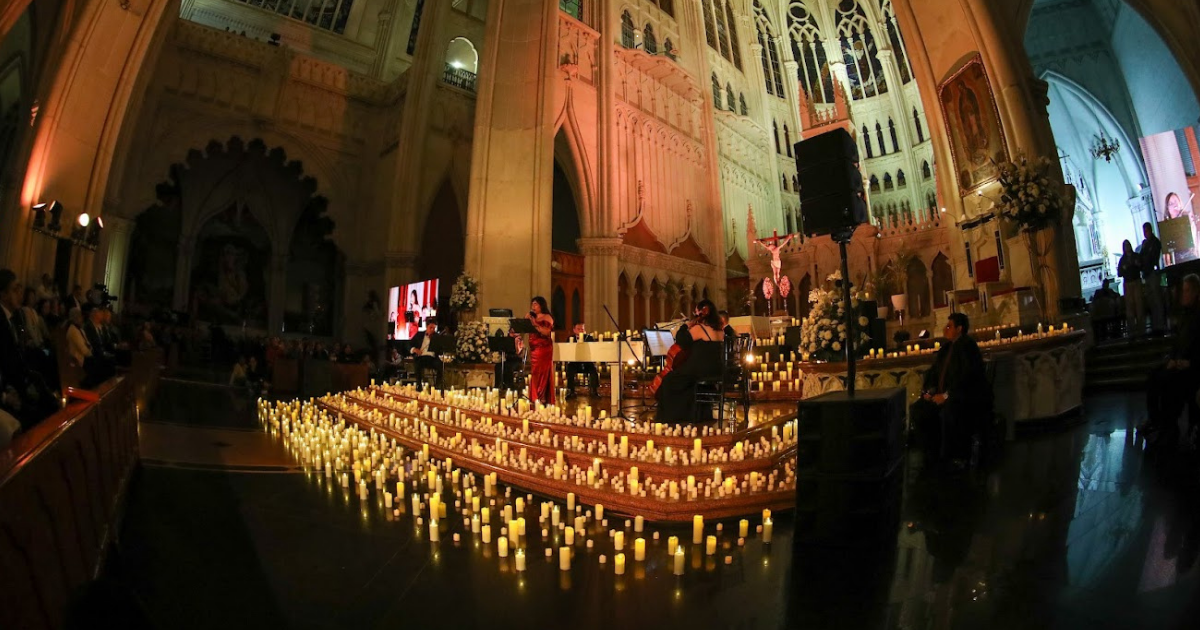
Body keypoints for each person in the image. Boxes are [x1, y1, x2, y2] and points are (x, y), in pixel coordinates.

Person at [910, 312, 991, 468]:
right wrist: (929, 391)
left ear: (959, 328)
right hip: (942, 395)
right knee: (918, 409)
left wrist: (947, 396)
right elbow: (935, 372)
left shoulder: (967, 346)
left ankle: (953, 456)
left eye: (949, 326)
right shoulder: (946, 347)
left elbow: (968, 377)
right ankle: (931, 452)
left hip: (963, 397)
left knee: (950, 411)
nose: (945, 329)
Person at [1142, 274, 1200, 446]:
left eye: (1187, 290)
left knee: (1168, 381)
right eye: (1183, 290)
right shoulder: (1186, 316)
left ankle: (1168, 427)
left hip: (1193, 367)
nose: (1183, 294)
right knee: (1154, 375)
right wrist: (1172, 358)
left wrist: (1185, 362)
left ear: (1196, 292)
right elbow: (1179, 343)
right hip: (1182, 362)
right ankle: (1157, 421)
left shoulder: (1196, 317)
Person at [654, 299, 726, 423]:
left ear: (701, 313)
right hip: (716, 369)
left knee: (669, 380)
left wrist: (685, 326)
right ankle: (696, 414)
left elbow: (681, 340)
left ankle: (673, 417)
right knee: (685, 380)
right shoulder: (719, 330)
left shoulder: (700, 328)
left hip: (700, 369)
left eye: (696, 312)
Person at [526, 297, 555, 404]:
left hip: (543, 349)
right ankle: (534, 397)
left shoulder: (547, 317)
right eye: (532, 304)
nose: (533, 307)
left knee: (541, 372)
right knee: (534, 372)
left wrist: (534, 323)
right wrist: (526, 321)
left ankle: (540, 397)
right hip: (534, 350)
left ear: (541, 305)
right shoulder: (532, 317)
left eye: (536, 304)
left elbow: (547, 332)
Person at [1140, 222, 1166, 334]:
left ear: (1150, 230)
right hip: (1147, 274)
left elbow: (1152, 257)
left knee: (1156, 299)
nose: (1145, 234)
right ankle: (1155, 325)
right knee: (1151, 301)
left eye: (1146, 231)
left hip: (1153, 273)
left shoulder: (1155, 243)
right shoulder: (1145, 244)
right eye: (1144, 232)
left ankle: (1160, 325)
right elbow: (1141, 256)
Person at [1118, 239, 1144, 337]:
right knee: (1130, 307)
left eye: (1128, 245)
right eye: (1125, 246)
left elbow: (1142, 266)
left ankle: (1141, 330)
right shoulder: (1122, 259)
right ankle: (1132, 331)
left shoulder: (1136, 256)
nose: (1127, 247)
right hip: (1128, 283)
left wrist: (1137, 264)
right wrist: (1124, 268)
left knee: (1139, 305)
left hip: (1136, 281)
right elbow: (1119, 273)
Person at [409, 317, 443, 387]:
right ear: (426, 327)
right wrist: (414, 349)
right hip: (422, 356)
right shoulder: (419, 335)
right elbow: (409, 344)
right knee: (417, 363)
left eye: (434, 328)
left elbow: (440, 350)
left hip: (432, 358)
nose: (432, 330)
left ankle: (437, 386)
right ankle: (419, 385)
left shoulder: (437, 336)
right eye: (431, 328)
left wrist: (434, 341)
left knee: (440, 365)